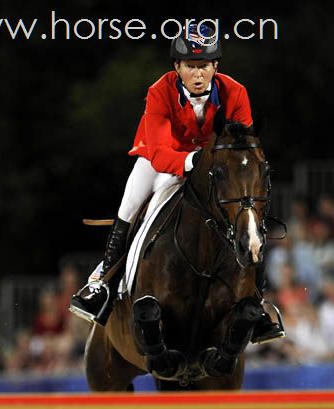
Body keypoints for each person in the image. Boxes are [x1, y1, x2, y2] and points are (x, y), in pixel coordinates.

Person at [70, 23, 285, 344]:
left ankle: (258, 299)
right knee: (130, 204)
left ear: (215, 67)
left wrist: (225, 167)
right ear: (177, 67)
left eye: (204, 66)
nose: (197, 74)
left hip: (213, 163)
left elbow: (243, 143)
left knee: (246, 212)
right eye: (190, 66)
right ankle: (103, 284)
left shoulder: (235, 92)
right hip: (163, 159)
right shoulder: (160, 91)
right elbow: (158, 150)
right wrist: (191, 162)